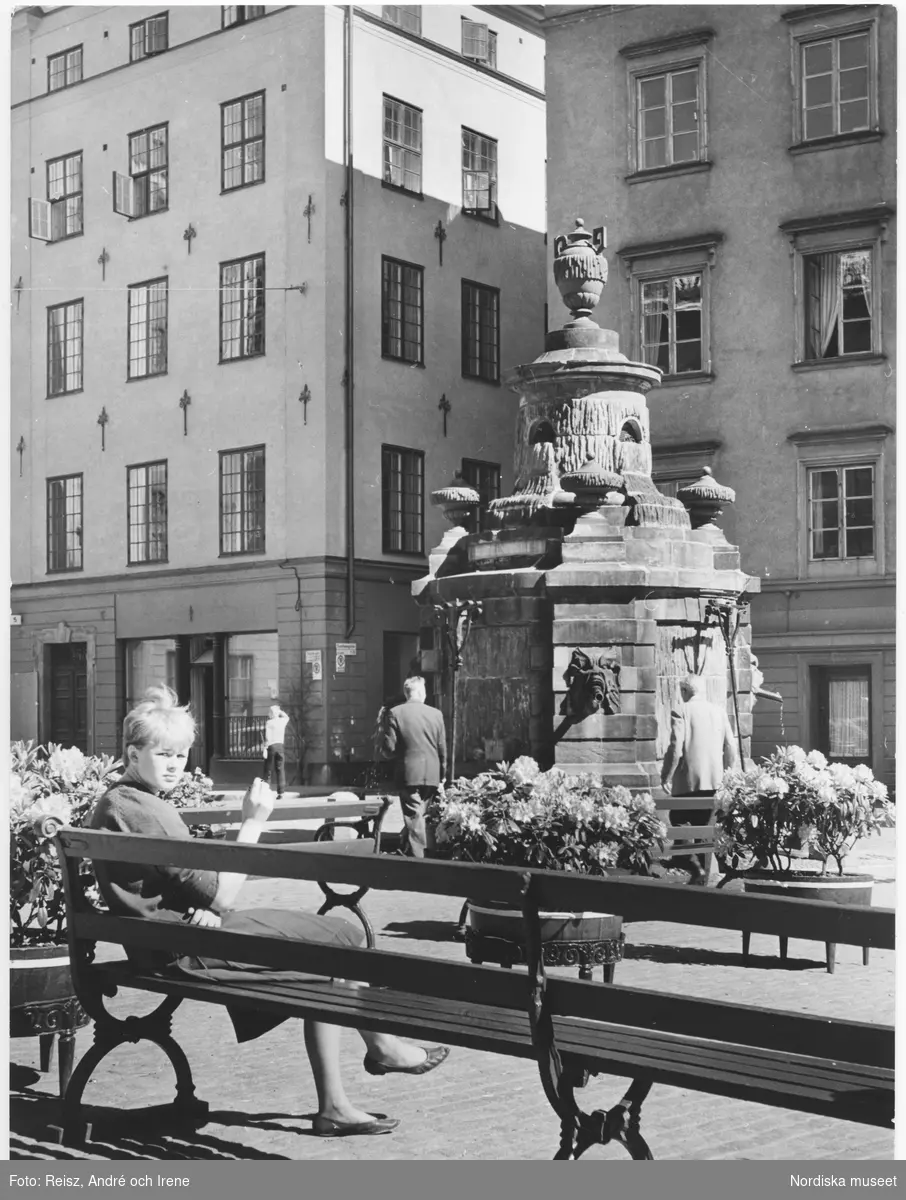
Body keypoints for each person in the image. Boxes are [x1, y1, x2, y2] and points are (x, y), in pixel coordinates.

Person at [89, 685, 449, 1138]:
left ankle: (361, 1073)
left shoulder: (118, 802)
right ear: (132, 753)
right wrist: (254, 822)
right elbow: (221, 896)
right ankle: (372, 1058)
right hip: (183, 946)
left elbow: (177, 885)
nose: (177, 766)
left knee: (335, 942)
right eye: (165, 755)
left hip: (173, 938)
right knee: (342, 940)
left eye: (182, 755)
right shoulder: (146, 811)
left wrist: (202, 907)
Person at [660, 674, 739, 884]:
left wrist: (666, 776)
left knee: (678, 823)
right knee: (705, 830)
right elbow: (731, 746)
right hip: (714, 782)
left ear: (685, 691)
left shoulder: (682, 710)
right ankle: (701, 879)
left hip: (686, 783)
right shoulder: (719, 712)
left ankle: (692, 865)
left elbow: (675, 749)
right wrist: (728, 775)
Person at [381, 676, 447, 859]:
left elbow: (389, 749)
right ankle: (414, 849)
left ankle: (419, 860)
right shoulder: (436, 714)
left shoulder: (395, 713)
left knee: (414, 816)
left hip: (409, 774)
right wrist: (443, 773)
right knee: (421, 815)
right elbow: (442, 748)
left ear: (407, 693)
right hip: (432, 774)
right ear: (420, 692)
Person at [262, 703, 290, 798]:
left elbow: (267, 736)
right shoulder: (282, 721)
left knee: (268, 770)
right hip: (280, 746)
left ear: (271, 713)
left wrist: (265, 748)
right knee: (280, 770)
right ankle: (281, 792)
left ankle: (265, 791)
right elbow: (287, 717)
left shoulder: (269, 723)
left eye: (269, 712)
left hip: (271, 746)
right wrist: (280, 711)